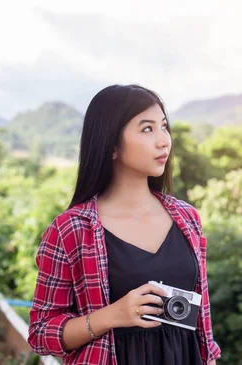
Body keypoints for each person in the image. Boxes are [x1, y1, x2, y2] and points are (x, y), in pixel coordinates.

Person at [27, 84, 221, 365]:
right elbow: (41, 333)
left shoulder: (187, 217)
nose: (164, 140)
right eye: (146, 129)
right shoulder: (71, 229)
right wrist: (113, 315)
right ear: (112, 145)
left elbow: (203, 325)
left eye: (164, 127)